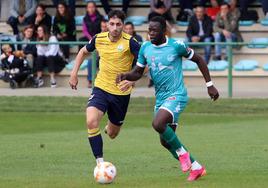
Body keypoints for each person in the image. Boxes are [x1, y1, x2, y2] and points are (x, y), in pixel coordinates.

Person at [116, 16, 219, 181]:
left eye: (154, 30)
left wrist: (210, 85)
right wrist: (125, 75)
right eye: (149, 30)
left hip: (177, 94)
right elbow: (137, 72)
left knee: (157, 123)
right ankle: (196, 167)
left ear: (163, 31)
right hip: (161, 98)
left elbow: (199, 59)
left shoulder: (176, 46)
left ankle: (183, 155)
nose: (150, 33)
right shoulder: (145, 48)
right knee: (165, 142)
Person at [69, 10, 140, 165]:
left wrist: (132, 79)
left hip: (121, 94)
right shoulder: (99, 38)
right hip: (101, 88)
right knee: (91, 121)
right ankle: (100, 164)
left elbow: (145, 63)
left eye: (118, 24)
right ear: (107, 24)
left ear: (123, 25)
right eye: (112, 24)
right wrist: (74, 73)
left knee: (112, 134)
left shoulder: (130, 42)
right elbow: (82, 52)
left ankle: (110, 127)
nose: (115, 28)